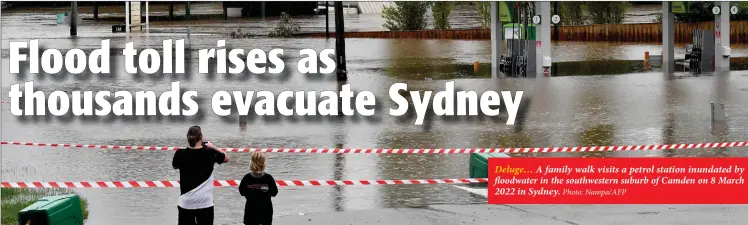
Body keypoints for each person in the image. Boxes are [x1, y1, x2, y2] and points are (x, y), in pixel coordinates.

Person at [172, 126, 230, 225]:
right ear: (201, 137)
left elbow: (175, 165)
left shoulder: (180, 154)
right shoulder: (210, 153)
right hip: (205, 203)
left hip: (186, 202)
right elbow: (226, 158)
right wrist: (213, 146)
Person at [239, 152, 278, 225]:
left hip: (251, 210)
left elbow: (242, 192)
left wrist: (251, 191)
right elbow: (274, 193)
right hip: (266, 211)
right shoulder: (269, 178)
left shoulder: (247, 178)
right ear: (264, 163)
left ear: (251, 163)